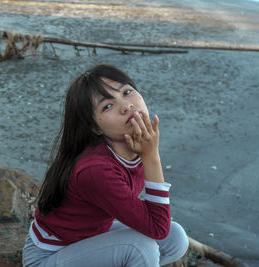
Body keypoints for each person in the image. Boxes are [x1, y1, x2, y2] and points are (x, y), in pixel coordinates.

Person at [23, 64, 189, 266]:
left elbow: (159, 228)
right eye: (107, 106)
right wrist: (152, 156)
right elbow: (157, 227)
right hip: (48, 256)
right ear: (95, 127)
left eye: (127, 92)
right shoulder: (96, 170)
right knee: (139, 247)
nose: (126, 106)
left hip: (88, 239)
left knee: (175, 238)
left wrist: (147, 154)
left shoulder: (133, 145)